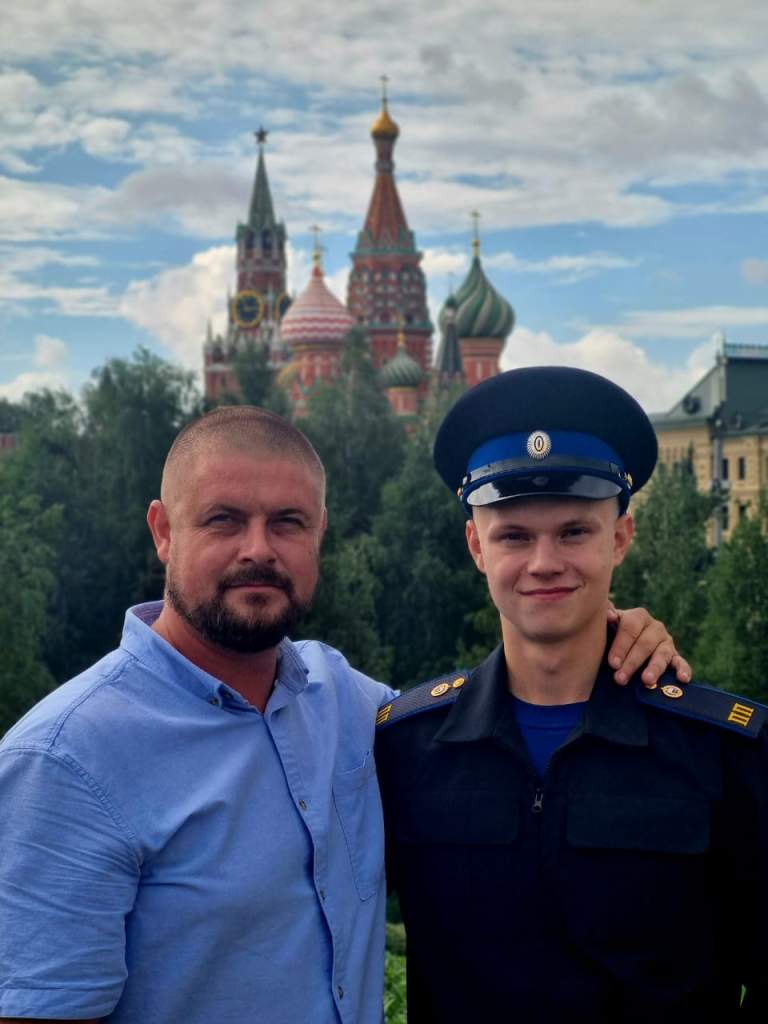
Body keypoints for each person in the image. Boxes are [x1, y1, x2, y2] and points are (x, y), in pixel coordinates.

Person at [0, 405, 688, 1024]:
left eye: (288, 522)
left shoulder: (348, 702)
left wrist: (599, 628)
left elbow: (499, 710)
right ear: (163, 531)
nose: (258, 549)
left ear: (320, 533)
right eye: (224, 519)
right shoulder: (67, 762)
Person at [376, 366, 768, 1022]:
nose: (544, 562)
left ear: (620, 538)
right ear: (476, 546)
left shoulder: (723, 750)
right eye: (514, 536)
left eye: (574, 532)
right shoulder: (406, 748)